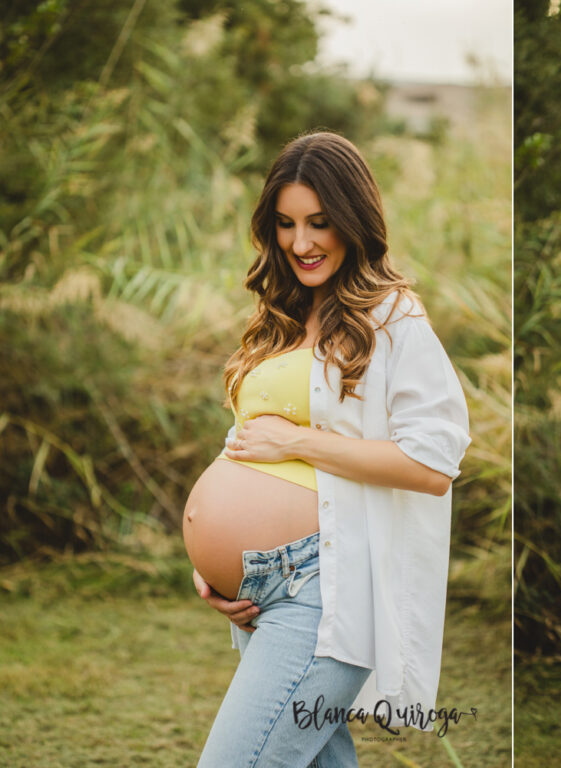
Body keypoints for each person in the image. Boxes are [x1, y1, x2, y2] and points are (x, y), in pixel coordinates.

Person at [182, 131, 471, 768]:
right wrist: (217, 567)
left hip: (320, 590)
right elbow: (249, 446)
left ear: (353, 219)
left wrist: (297, 441)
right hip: (259, 591)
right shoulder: (283, 317)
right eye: (285, 224)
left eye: (319, 222)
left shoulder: (391, 316)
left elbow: (433, 463)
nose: (301, 243)